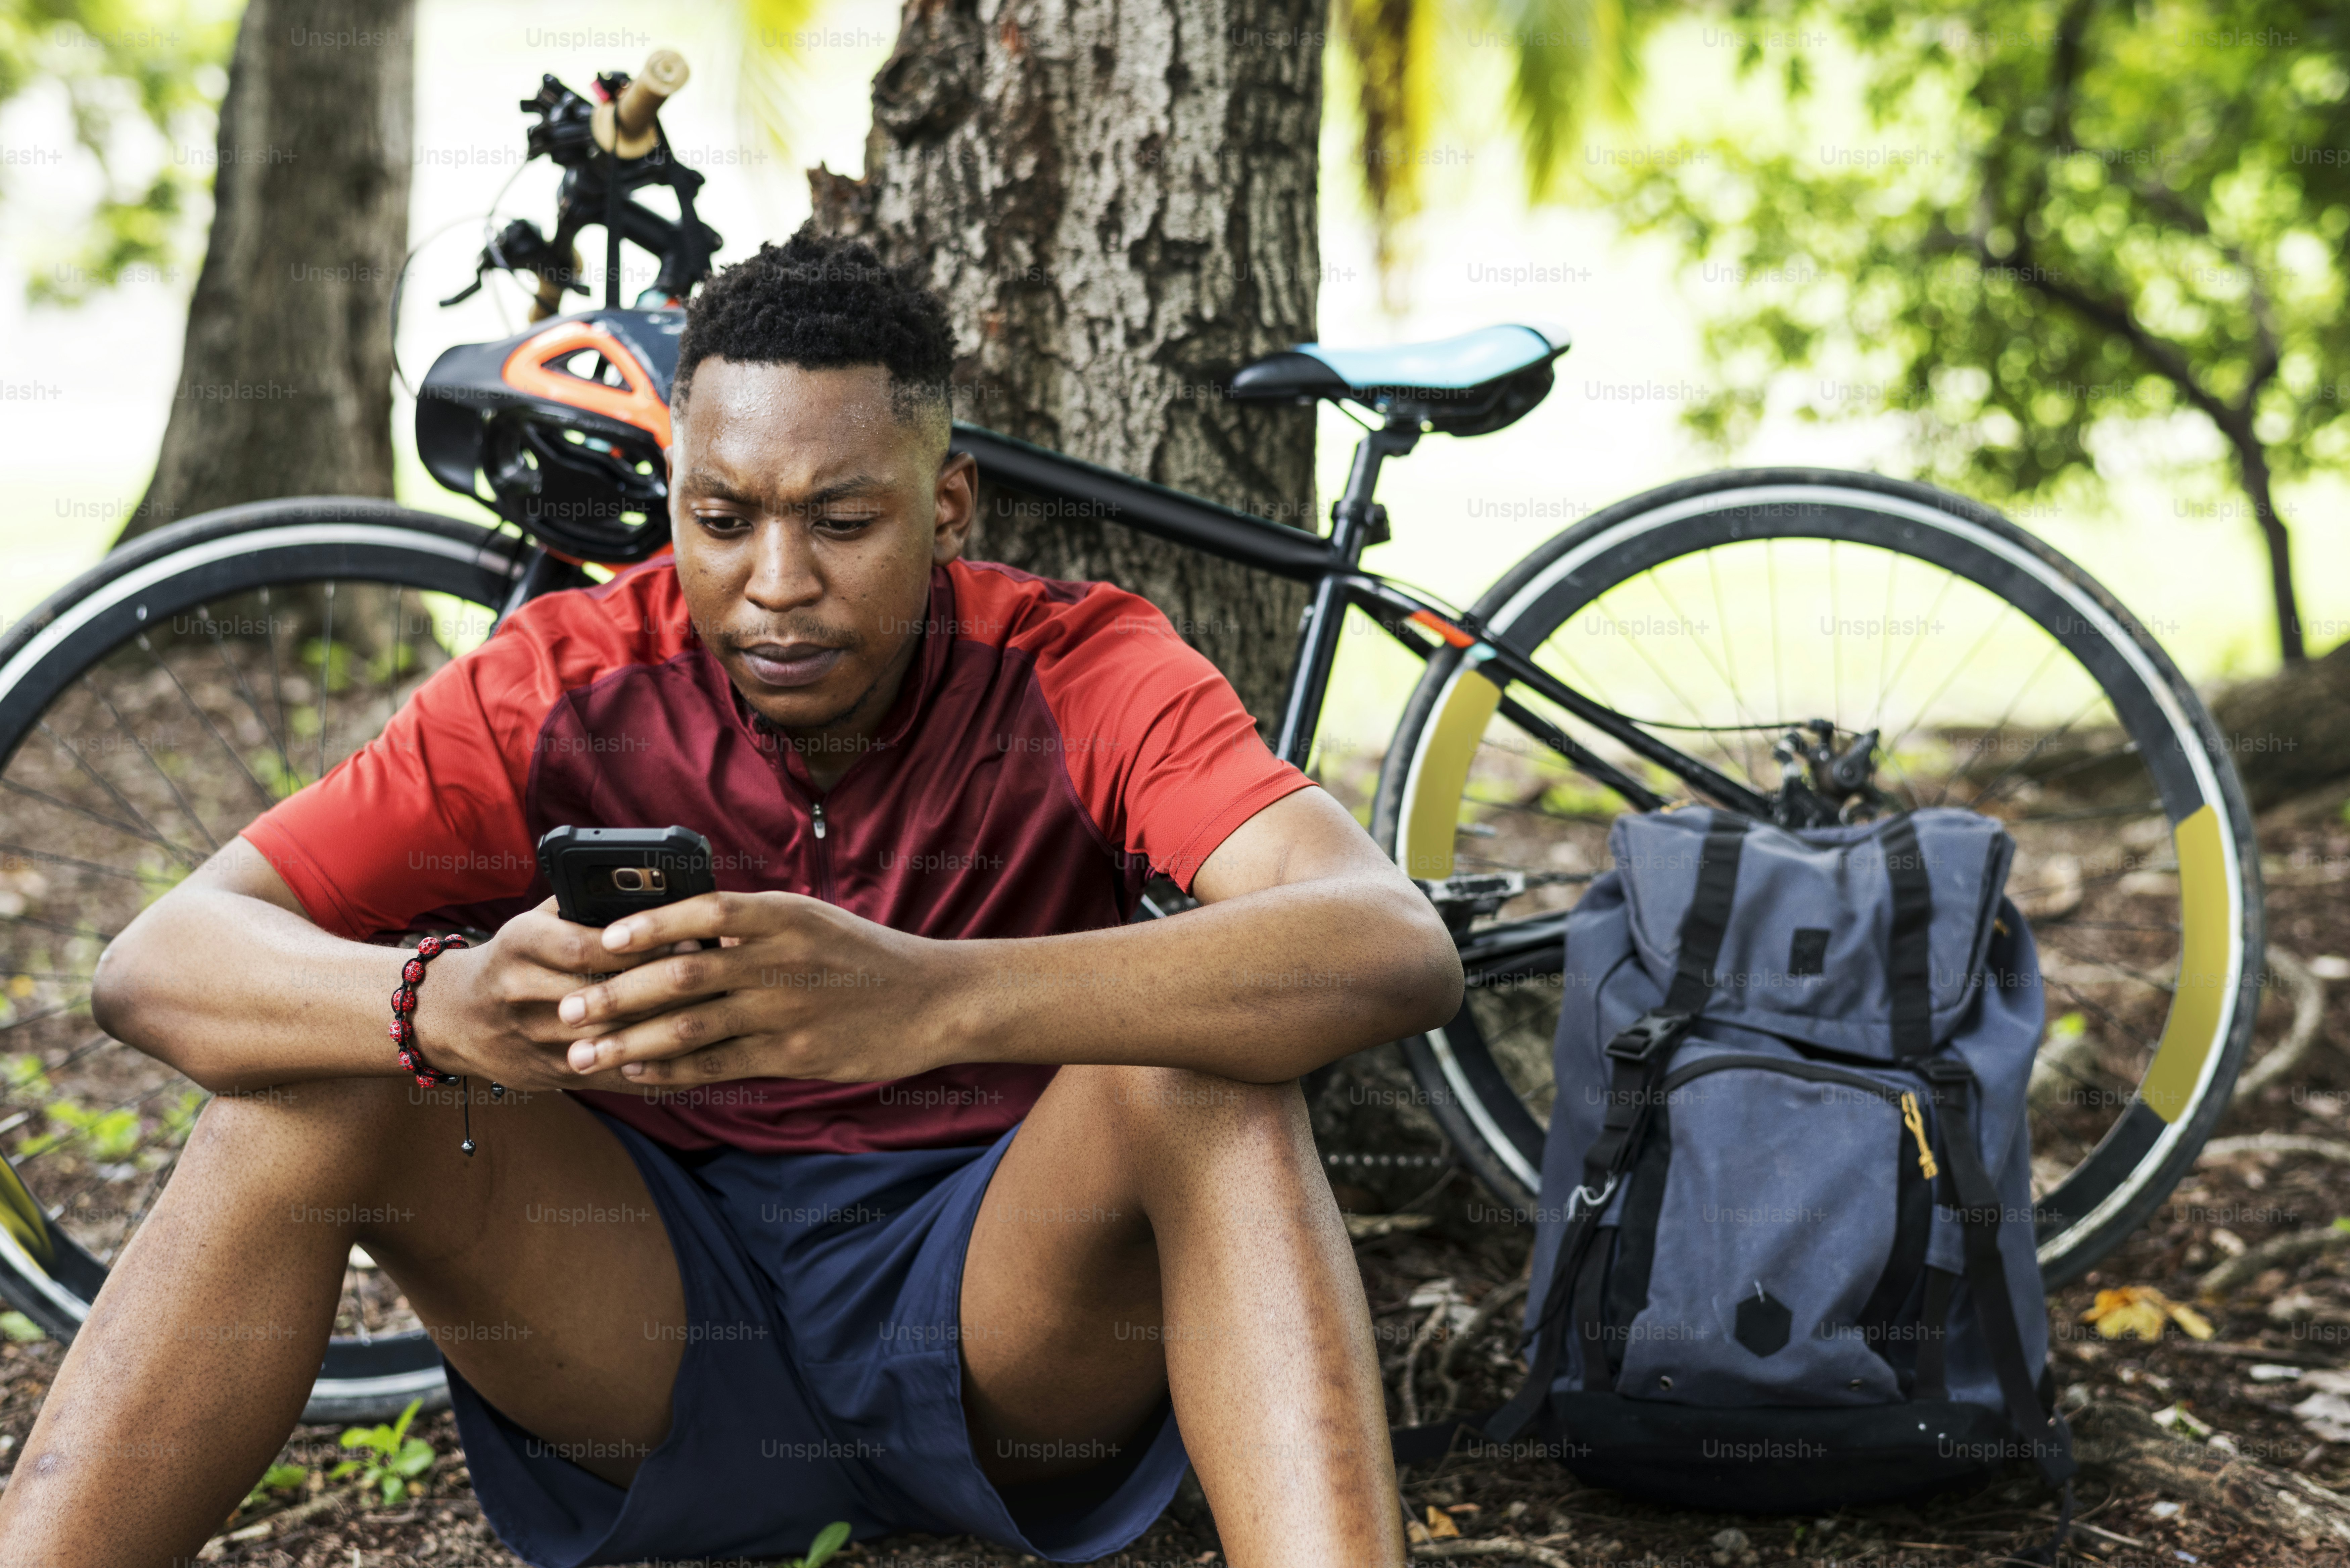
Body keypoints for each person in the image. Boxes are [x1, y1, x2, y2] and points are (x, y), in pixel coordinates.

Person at [0, 226, 1462, 1568]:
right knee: (310, 1086)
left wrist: (928, 998)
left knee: (1206, 1081)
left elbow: (1387, 945)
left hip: (996, 1337)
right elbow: (158, 962)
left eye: (842, 521)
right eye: (723, 517)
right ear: (676, 505)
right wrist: (439, 1001)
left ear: (945, 506)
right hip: (646, 1333)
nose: (776, 584)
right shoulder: (561, 680)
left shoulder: (1078, 666)